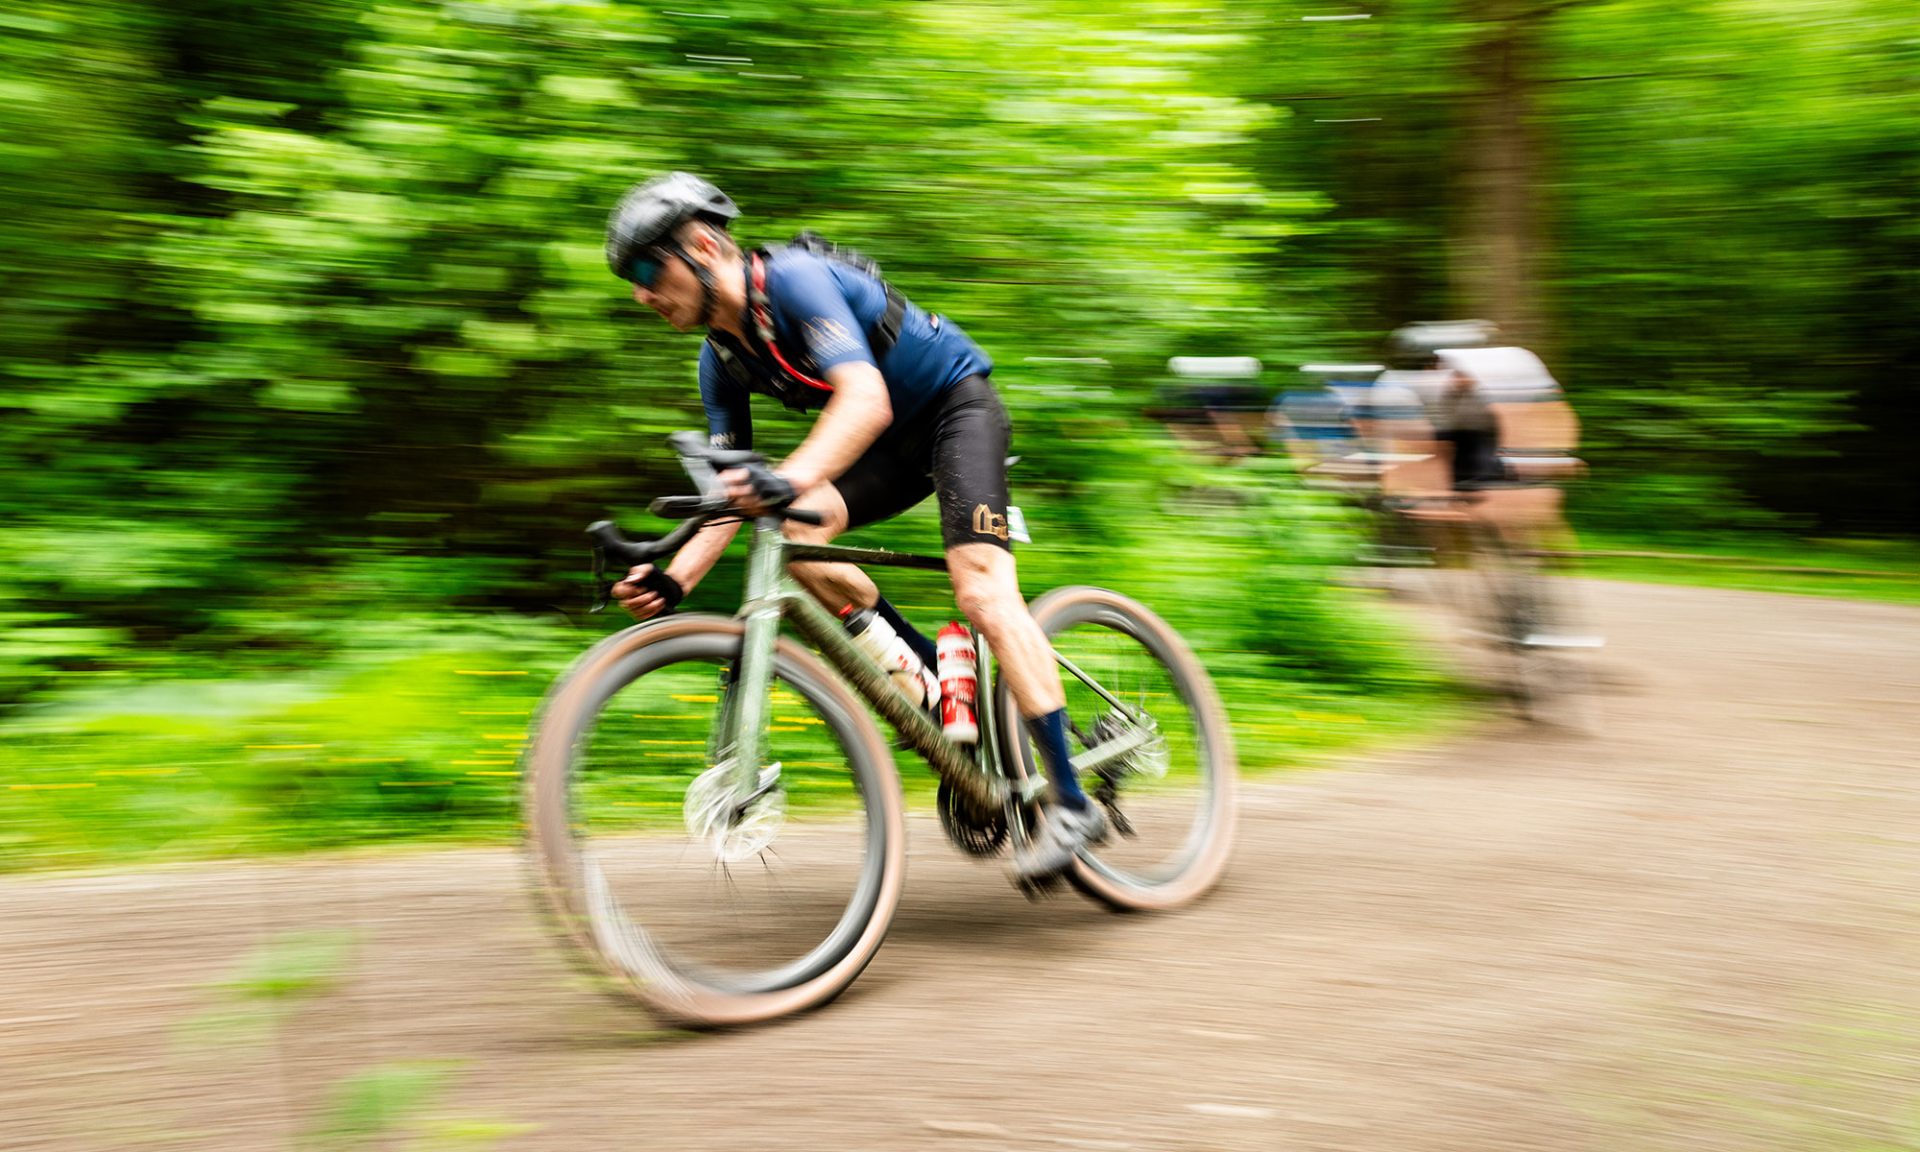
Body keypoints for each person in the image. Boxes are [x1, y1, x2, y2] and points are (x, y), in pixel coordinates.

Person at [602, 172, 1104, 884]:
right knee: (794, 545)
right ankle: (935, 673)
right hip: (880, 448)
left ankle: (1073, 803)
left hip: (954, 412)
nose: (642, 294)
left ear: (706, 246)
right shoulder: (720, 360)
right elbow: (726, 495)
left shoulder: (798, 282)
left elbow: (863, 399)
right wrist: (673, 576)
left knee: (982, 591)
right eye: (633, 281)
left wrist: (787, 480)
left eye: (650, 269)